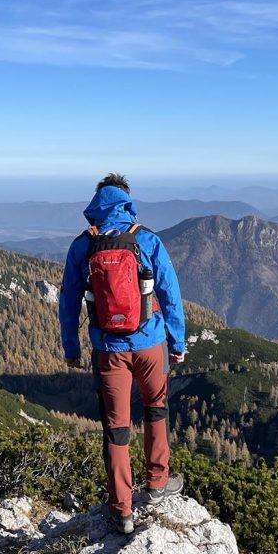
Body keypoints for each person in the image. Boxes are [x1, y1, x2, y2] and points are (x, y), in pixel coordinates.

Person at [59, 173, 187, 534]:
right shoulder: (147, 239)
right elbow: (170, 294)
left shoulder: (83, 245)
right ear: (127, 201)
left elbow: (68, 301)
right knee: (156, 409)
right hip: (149, 345)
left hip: (108, 350)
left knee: (116, 429)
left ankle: (122, 511)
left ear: (97, 203)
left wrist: (72, 347)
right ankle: (158, 483)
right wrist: (176, 342)